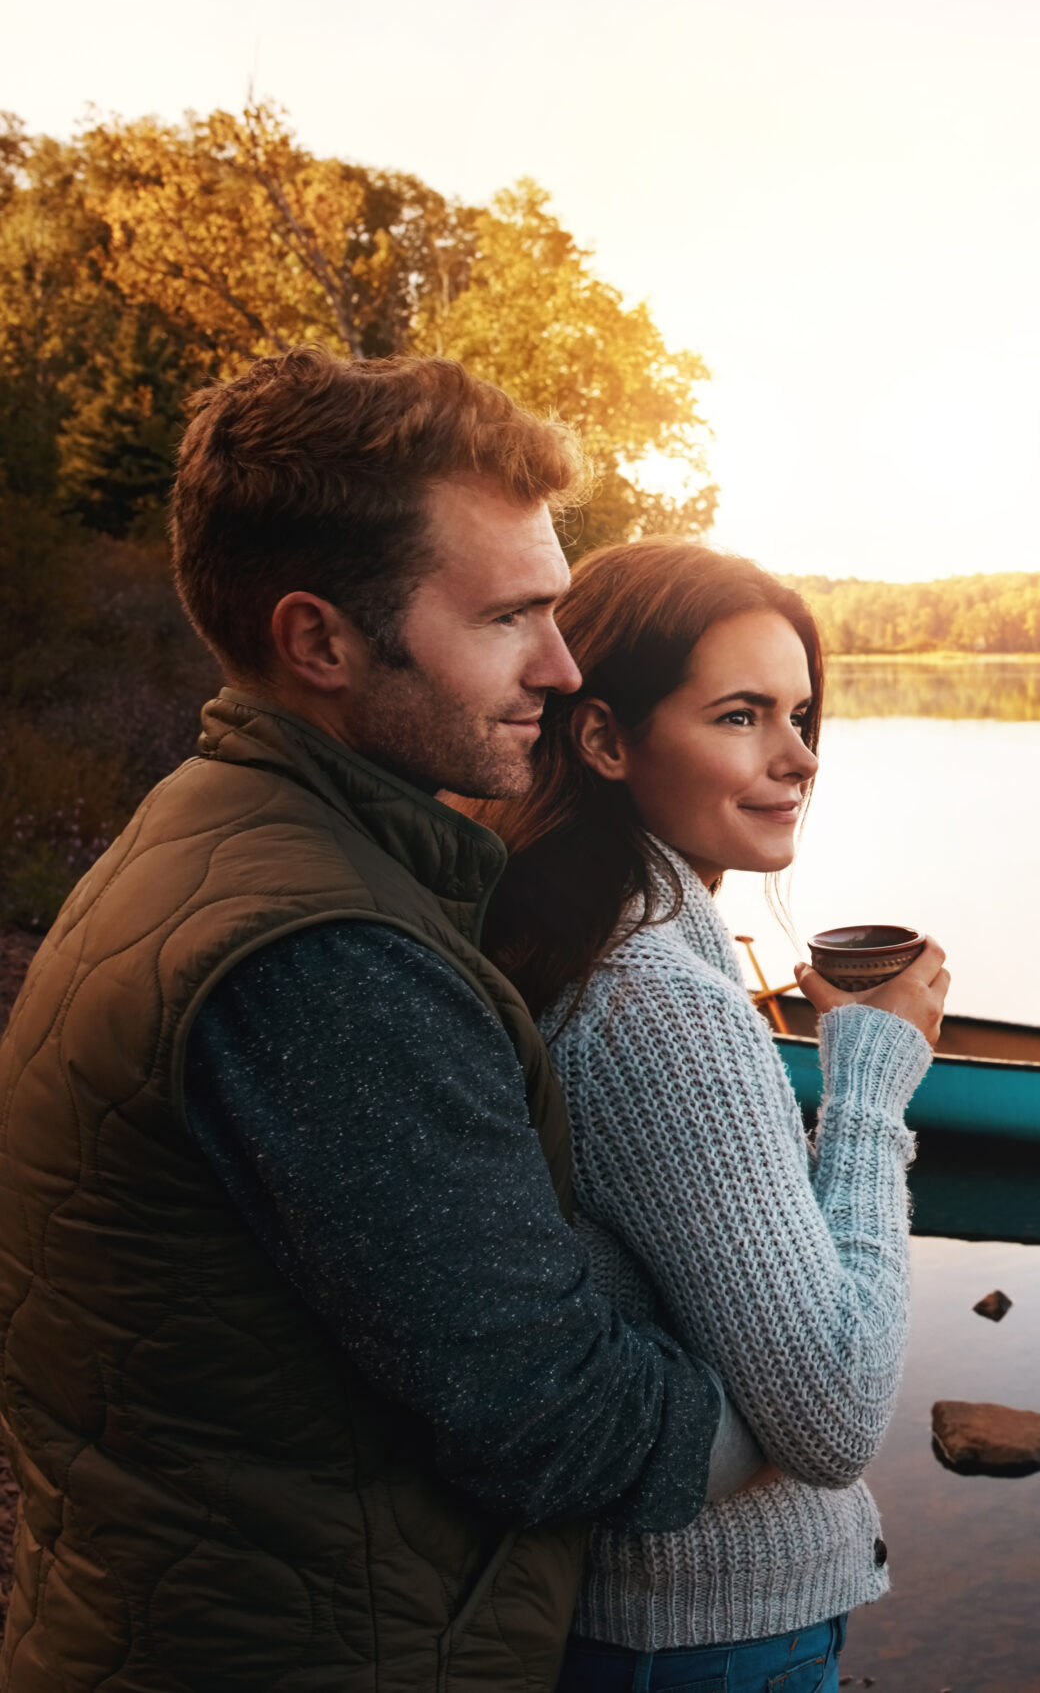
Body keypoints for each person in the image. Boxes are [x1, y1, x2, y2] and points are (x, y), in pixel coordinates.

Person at [0, 352, 768, 1691]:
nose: (564, 663)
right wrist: (788, 1399)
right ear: (320, 641)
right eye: (509, 618)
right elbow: (561, 1423)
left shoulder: (215, 835)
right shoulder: (324, 957)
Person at [472, 541, 947, 1691]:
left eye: (802, 715)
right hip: (708, 1640)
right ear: (604, 740)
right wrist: (874, 1079)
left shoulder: (586, 937)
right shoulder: (657, 1005)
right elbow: (831, 1417)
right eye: (741, 717)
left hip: (645, 1628)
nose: (797, 759)